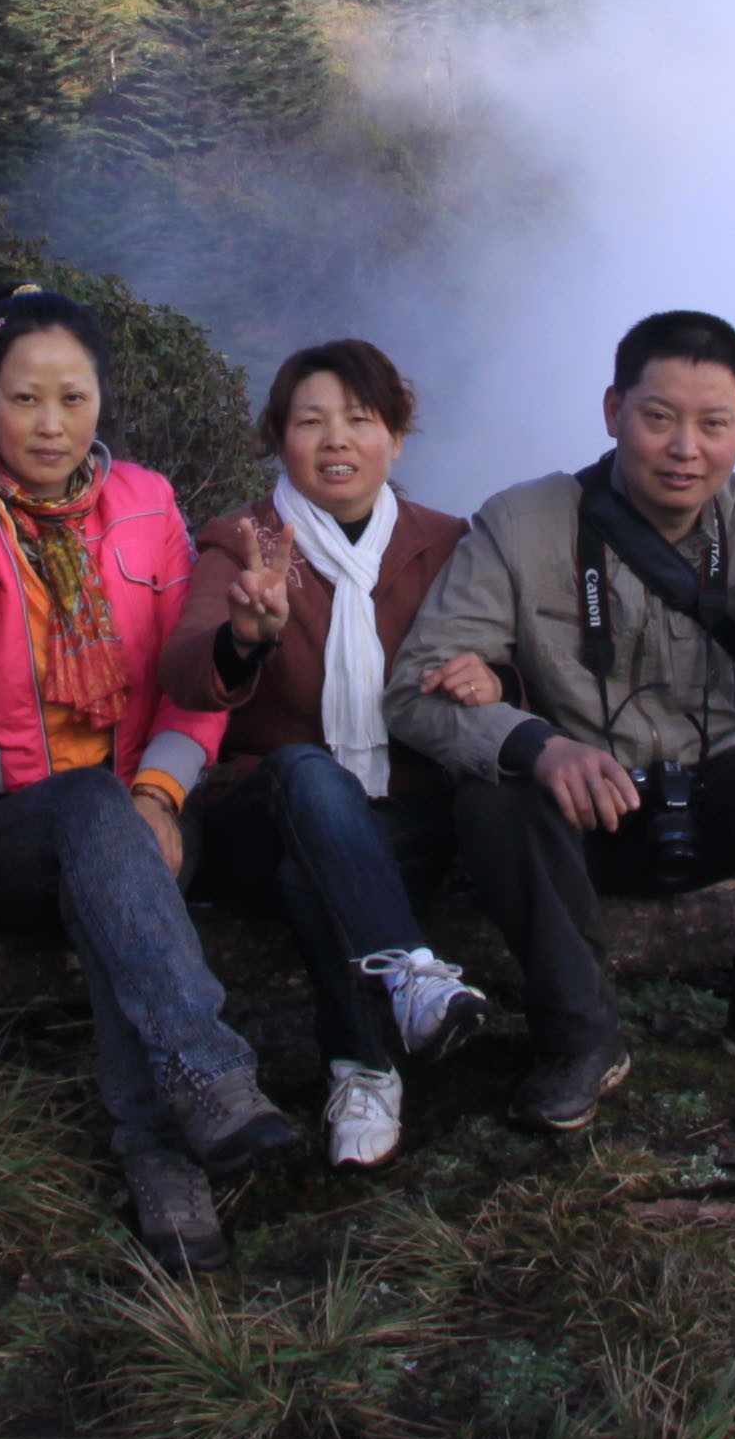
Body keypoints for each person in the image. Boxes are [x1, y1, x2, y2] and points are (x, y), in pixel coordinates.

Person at [0, 286, 299, 1272]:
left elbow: (193, 678)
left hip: (132, 813)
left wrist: (164, 792)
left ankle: (166, 1157)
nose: (50, 424)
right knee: (99, 821)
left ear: (102, 398)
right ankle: (209, 1080)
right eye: (23, 400)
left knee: (116, 852)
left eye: (73, 397)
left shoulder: (146, 504)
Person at [385, 309, 735, 1133]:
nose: (684, 447)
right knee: (496, 795)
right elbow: (415, 689)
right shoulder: (523, 524)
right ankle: (580, 1039)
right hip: (577, 814)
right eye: (658, 417)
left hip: (705, 799)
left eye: (712, 424)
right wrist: (537, 744)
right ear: (612, 412)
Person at [160, 340, 500, 1171]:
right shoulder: (241, 541)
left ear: (397, 438)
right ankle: (414, 978)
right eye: (311, 421)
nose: (336, 439)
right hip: (258, 812)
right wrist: (244, 638)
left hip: (398, 815)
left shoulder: (445, 543)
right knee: (310, 774)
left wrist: (493, 675)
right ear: (280, 438)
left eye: (360, 419)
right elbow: (183, 670)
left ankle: (362, 1069)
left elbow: (502, 651)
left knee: (312, 871)